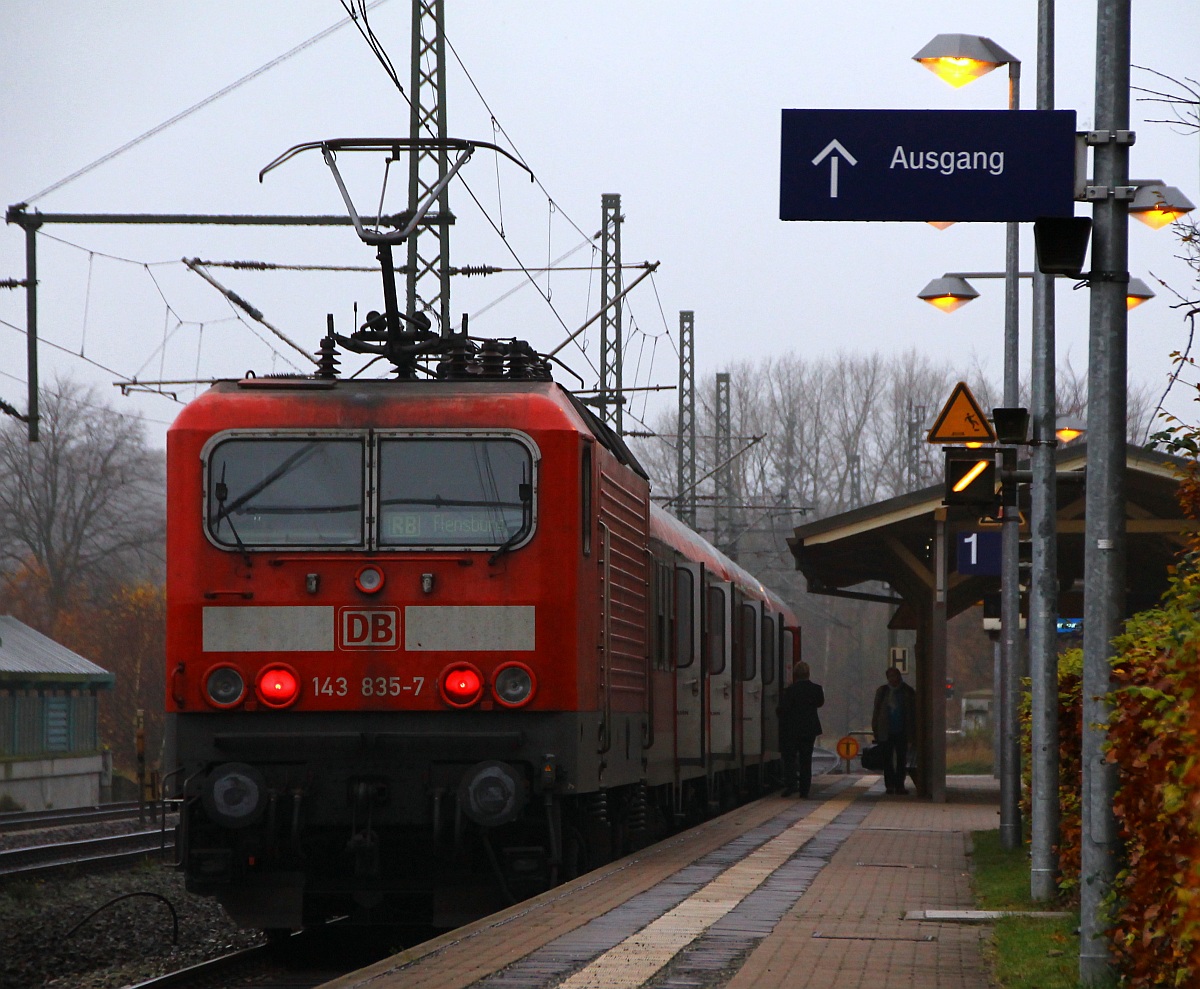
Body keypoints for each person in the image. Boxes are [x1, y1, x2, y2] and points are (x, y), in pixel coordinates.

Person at [777, 661, 824, 797]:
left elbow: (783, 709)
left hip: (792, 730)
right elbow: (820, 703)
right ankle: (805, 790)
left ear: (795, 675)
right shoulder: (816, 689)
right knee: (806, 759)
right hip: (810, 729)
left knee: (790, 758)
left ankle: (791, 785)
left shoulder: (790, 691)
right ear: (808, 673)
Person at [872, 666, 917, 794]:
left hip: (902, 730)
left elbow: (912, 713)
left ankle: (900, 785)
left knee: (902, 759)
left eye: (895, 676)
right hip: (886, 730)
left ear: (899, 677)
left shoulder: (907, 691)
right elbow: (877, 711)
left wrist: (912, 733)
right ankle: (889, 785)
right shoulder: (882, 691)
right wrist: (875, 729)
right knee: (887, 759)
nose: (893, 679)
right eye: (890, 677)